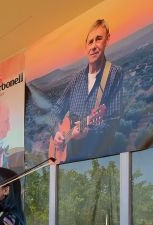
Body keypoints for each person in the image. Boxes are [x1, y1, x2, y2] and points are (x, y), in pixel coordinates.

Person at [50, 19, 123, 162]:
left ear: (107, 41)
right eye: (90, 42)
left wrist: (89, 131)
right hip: (69, 159)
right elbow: (55, 111)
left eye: (99, 39)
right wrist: (57, 132)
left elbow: (114, 120)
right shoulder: (76, 80)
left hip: (97, 159)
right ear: (85, 48)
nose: (94, 46)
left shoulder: (114, 74)